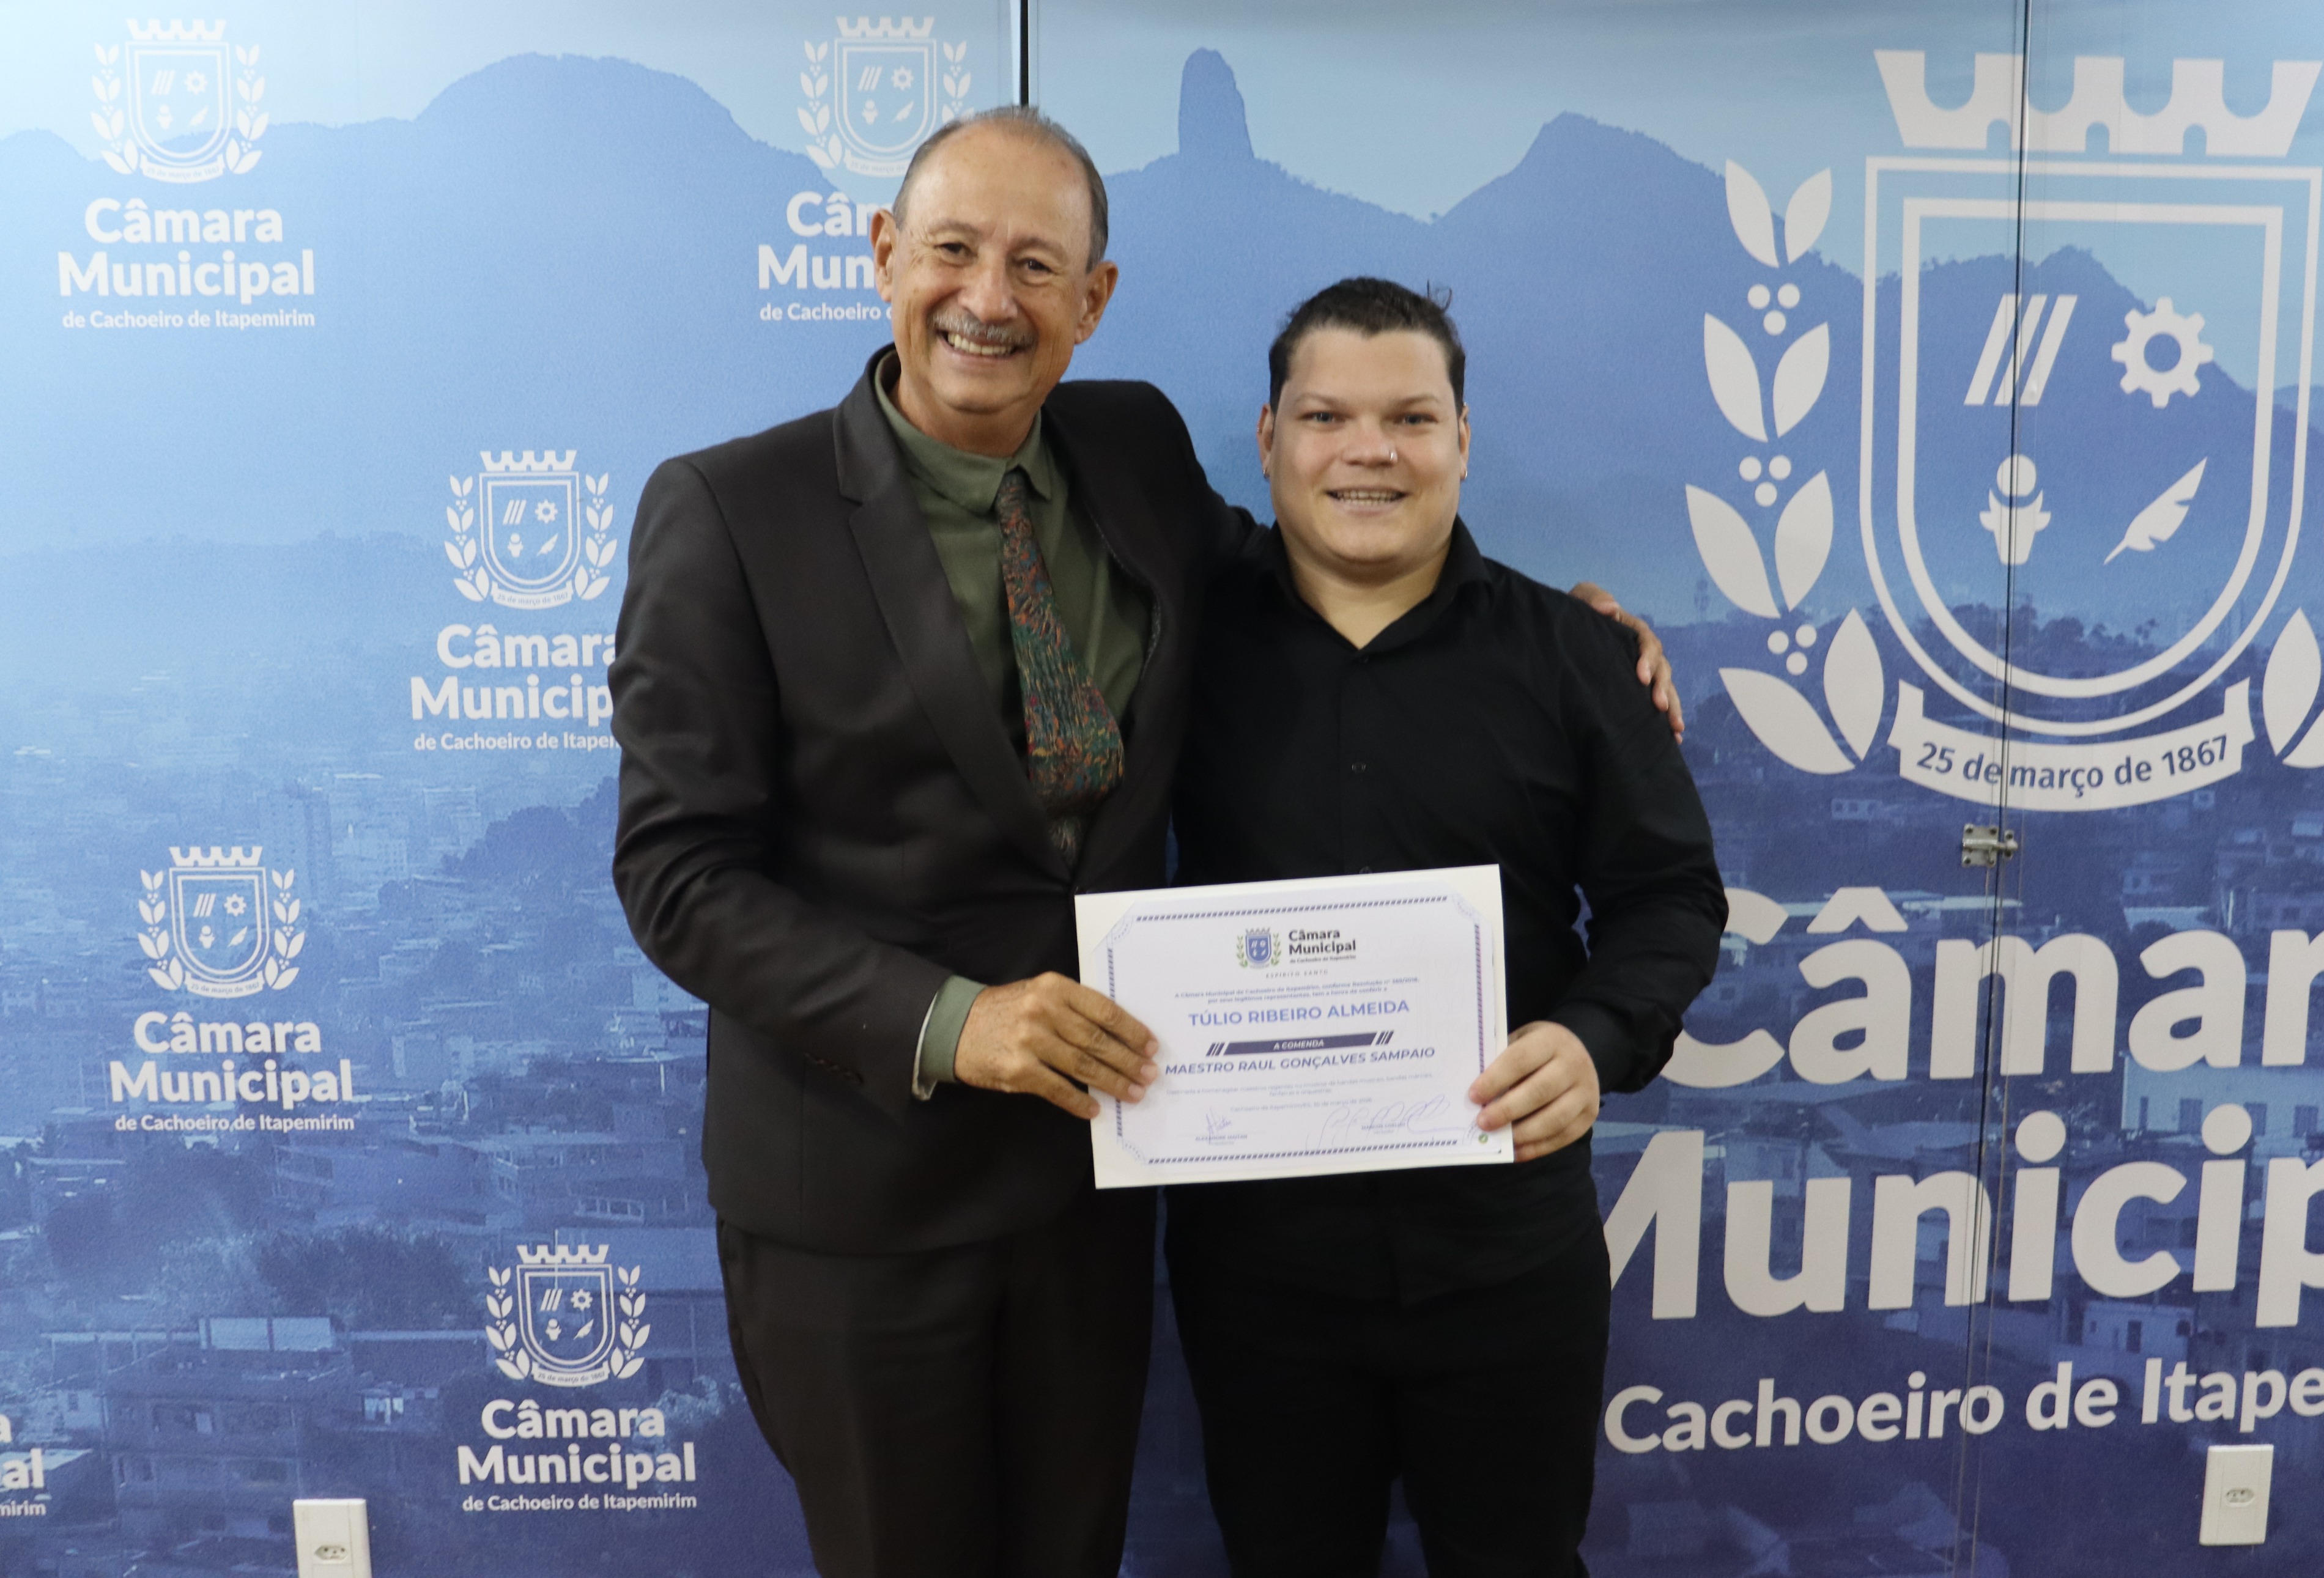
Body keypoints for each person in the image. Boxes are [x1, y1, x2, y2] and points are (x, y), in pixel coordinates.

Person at [611, 105, 1678, 1578]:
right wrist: (954, 1023)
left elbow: (1309, 572)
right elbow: (677, 875)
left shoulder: (1132, 447)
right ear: (883, 254)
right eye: (954, 251)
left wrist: (1571, 639)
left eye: (1036, 265)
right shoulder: (730, 511)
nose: (989, 299)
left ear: (1093, 299)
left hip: (1092, 1186)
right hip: (864, 1196)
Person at [1163, 278, 1726, 1578]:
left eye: (1411, 418)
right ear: (1269, 440)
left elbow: (1669, 896)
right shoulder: (1169, 644)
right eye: (1327, 417)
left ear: (1462, 441)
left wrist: (1593, 1039)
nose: (1368, 450)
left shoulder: (1575, 656)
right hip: (1257, 1269)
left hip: (1506, 1256)